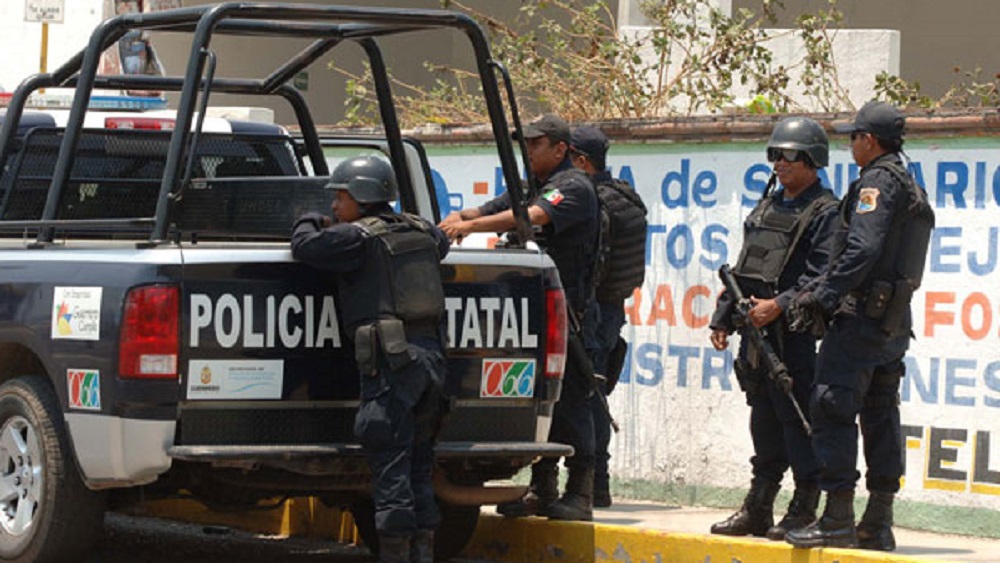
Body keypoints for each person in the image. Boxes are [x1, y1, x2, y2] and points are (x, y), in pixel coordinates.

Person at [785, 102, 934, 551]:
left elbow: (862, 250)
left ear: (869, 140)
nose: (850, 144)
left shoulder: (877, 181)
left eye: (854, 137)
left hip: (860, 321)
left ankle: (837, 519)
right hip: (890, 322)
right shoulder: (907, 181)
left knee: (832, 407)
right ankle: (877, 522)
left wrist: (824, 296)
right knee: (881, 413)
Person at [439, 114, 600, 522]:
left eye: (536, 143)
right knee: (543, 403)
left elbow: (534, 217)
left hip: (573, 315)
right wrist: (456, 219)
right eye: (526, 143)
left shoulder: (573, 187)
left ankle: (581, 493)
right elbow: (496, 206)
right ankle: (543, 490)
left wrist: (472, 225)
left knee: (573, 404)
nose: (528, 150)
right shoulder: (534, 184)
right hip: (538, 312)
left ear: (560, 149)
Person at [291, 156, 450, 563]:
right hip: (431, 363)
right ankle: (422, 552)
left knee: (391, 462)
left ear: (361, 197)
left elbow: (305, 247)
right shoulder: (422, 229)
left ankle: (395, 554)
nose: (334, 207)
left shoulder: (355, 238)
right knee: (419, 463)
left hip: (392, 366)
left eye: (340, 198)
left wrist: (307, 218)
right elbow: (443, 242)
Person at [708, 117, 838, 541]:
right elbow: (744, 265)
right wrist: (725, 315)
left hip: (796, 336)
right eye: (774, 155)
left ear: (812, 159)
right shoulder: (768, 204)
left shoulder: (826, 212)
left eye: (788, 155)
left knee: (798, 422)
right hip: (755, 336)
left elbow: (824, 276)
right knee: (763, 422)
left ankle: (803, 508)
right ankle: (759, 506)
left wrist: (779, 307)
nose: (778, 163)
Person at [568, 125, 647, 509]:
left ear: (581, 161)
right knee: (594, 393)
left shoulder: (589, 201)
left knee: (585, 395)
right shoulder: (624, 197)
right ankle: (596, 482)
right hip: (610, 308)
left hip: (590, 310)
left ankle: (590, 484)